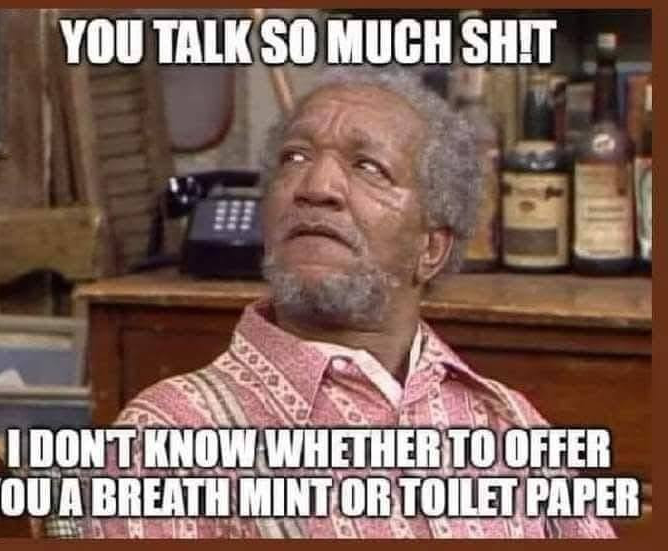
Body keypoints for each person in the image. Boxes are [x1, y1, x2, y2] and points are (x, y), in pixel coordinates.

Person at [82, 66, 616, 538]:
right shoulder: (170, 439)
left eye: (368, 167)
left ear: (431, 249)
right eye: (294, 158)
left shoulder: (508, 424)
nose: (317, 186)